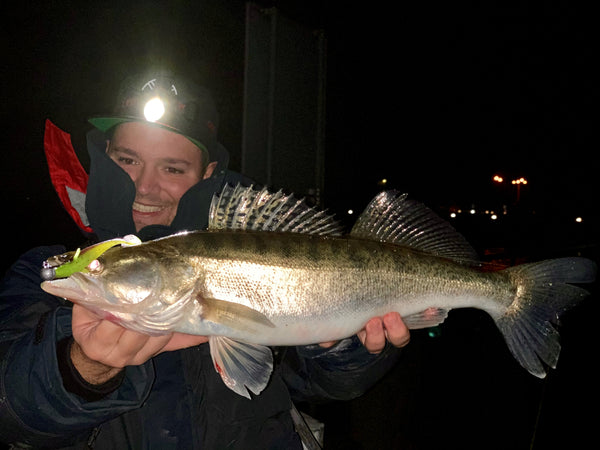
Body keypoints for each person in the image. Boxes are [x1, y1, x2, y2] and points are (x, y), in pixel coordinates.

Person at [0, 70, 410, 448]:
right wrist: (81, 367)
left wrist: (341, 350)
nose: (144, 187)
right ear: (104, 155)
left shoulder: (256, 240)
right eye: (127, 160)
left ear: (208, 173)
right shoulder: (43, 270)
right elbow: (10, 416)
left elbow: (319, 388)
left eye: (173, 169)